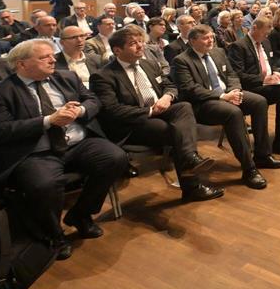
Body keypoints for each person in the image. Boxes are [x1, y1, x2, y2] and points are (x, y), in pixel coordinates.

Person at [0, 39, 128, 259]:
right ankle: (53, 234)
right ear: (21, 64)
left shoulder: (66, 77)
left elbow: (92, 99)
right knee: (44, 184)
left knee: (115, 157)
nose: (52, 59)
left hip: (77, 142)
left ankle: (80, 214)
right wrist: (48, 120)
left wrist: (81, 111)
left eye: (52, 54)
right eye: (43, 57)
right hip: (36, 151)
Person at [90, 26, 227, 200]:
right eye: (133, 43)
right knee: (174, 131)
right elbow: (112, 111)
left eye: (141, 41)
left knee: (184, 107)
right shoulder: (103, 76)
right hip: (132, 124)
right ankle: (192, 184)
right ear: (117, 50)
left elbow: (169, 85)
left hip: (161, 109)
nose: (140, 46)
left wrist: (167, 97)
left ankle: (191, 160)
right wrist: (149, 110)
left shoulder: (148, 64)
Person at [172, 25, 280, 186]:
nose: (211, 40)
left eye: (212, 37)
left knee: (259, 101)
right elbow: (190, 89)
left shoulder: (218, 52)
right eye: (205, 38)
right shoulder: (182, 60)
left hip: (228, 94)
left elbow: (232, 74)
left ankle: (262, 154)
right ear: (192, 41)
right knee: (233, 113)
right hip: (204, 103)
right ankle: (249, 169)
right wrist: (223, 96)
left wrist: (235, 91)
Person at [226, 17, 280, 150]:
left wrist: (276, 72)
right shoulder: (239, 46)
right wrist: (263, 79)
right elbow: (238, 75)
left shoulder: (266, 42)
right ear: (255, 28)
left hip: (269, 82)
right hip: (252, 87)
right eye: (265, 32)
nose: (267, 35)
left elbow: (270, 64)